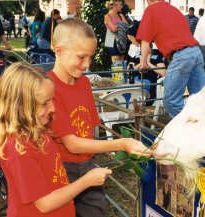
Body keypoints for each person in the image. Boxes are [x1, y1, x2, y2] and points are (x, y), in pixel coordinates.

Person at [48, 18, 151, 217]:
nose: (87, 64)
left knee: (94, 211)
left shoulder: (85, 83)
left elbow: (92, 128)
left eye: (90, 57)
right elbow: (73, 144)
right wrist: (122, 144)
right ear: (59, 50)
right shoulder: (49, 89)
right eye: (81, 57)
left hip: (87, 164)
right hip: (61, 168)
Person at [0, 62, 112, 217]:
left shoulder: (38, 130)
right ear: (20, 106)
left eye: (52, 100)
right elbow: (45, 204)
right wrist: (86, 181)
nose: (53, 108)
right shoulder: (19, 149)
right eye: (44, 103)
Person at [136, 0, 205, 118]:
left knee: (171, 101)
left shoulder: (151, 10)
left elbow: (145, 42)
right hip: (196, 52)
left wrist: (143, 63)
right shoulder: (173, 9)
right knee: (201, 98)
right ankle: (204, 127)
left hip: (181, 55)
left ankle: (188, 127)